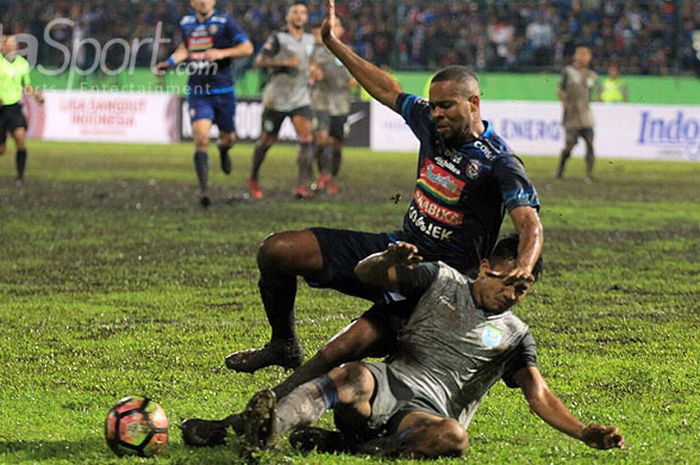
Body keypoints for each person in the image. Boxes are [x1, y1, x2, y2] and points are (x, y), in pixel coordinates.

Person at [225, 0, 543, 383]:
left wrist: (524, 266)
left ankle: (278, 405)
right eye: (434, 105)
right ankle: (283, 344)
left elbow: (529, 223)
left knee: (344, 351)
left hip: (436, 284)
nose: (437, 113)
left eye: (447, 106)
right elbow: (386, 89)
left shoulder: (499, 162)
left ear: (473, 104)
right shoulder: (430, 122)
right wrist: (335, 45)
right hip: (396, 250)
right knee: (277, 250)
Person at [184, 237, 624, 458]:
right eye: (507, 283)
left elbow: (539, 394)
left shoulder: (513, 333)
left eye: (521, 291)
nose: (510, 295)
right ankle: (267, 432)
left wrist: (583, 432)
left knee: (454, 436)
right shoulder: (442, 279)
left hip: (422, 418)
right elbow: (366, 272)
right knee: (354, 371)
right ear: (486, 267)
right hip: (385, 384)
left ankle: (350, 448)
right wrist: (388, 260)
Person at [156, 0, 253, 208]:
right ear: (192, 2)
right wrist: (170, 63)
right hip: (199, 92)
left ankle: (224, 150)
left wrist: (222, 53)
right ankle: (204, 191)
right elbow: (185, 48)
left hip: (223, 92)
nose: (203, 1)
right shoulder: (186, 23)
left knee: (228, 138)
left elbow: (247, 48)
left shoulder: (225, 21)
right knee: (200, 138)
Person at [247, 1, 317, 200]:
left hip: (300, 98)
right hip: (277, 98)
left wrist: (314, 69)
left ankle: (301, 185)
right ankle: (253, 178)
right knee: (267, 141)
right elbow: (259, 61)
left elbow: (309, 60)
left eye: (302, 12)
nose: (299, 16)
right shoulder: (278, 37)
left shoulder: (311, 39)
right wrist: (284, 63)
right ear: (288, 16)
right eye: (295, 12)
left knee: (306, 138)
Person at [310, 18, 355, 195]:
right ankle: (322, 175)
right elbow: (308, 68)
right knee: (321, 139)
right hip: (320, 101)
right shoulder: (315, 51)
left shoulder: (348, 52)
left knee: (336, 144)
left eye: (335, 25)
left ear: (341, 31)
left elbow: (355, 76)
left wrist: (353, 82)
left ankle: (333, 178)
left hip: (341, 104)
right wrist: (312, 72)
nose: (331, 27)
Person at [0, 34, 44, 188]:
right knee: (1, 150)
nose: (9, 46)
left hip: (14, 107)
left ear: (16, 47)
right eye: (6, 43)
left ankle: (20, 176)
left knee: (20, 138)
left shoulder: (22, 64)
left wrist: (36, 95)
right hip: (0, 110)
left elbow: (27, 84)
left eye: (12, 43)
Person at [556, 44, 599, 183]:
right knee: (570, 145)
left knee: (590, 144)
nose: (584, 57)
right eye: (581, 54)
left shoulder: (592, 75)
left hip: (586, 116)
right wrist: (564, 101)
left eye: (586, 54)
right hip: (572, 117)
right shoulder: (568, 72)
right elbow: (560, 90)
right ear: (575, 56)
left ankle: (589, 174)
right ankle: (560, 171)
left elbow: (596, 92)